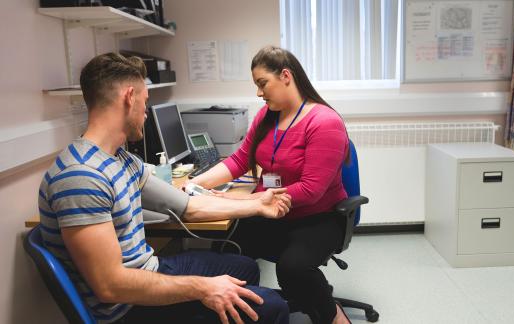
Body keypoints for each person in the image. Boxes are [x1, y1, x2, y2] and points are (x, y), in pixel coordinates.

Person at [37, 52, 292, 324]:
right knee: (273, 307)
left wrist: (256, 205)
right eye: (145, 103)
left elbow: (189, 207)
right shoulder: (81, 177)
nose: (146, 114)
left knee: (244, 268)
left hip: (149, 269)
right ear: (129, 97)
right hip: (127, 309)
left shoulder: (121, 160)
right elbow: (110, 286)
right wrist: (203, 288)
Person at [190, 45, 351, 324]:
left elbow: (311, 190)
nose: (258, 93)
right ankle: (243, 311)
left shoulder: (325, 122)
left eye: (262, 83)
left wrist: (242, 201)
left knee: (293, 269)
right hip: (271, 211)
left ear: (286, 76)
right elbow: (239, 161)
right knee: (226, 249)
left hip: (318, 218)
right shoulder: (267, 117)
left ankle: (334, 316)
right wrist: (192, 185)